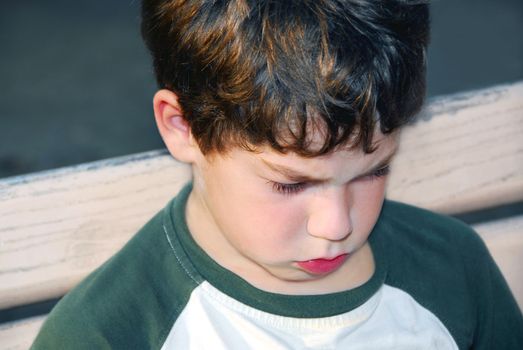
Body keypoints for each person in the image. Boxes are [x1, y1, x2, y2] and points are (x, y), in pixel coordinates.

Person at [31, 0, 523, 348]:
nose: (336, 226)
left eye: (373, 172)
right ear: (185, 129)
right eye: (291, 183)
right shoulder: (106, 334)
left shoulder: (452, 269)